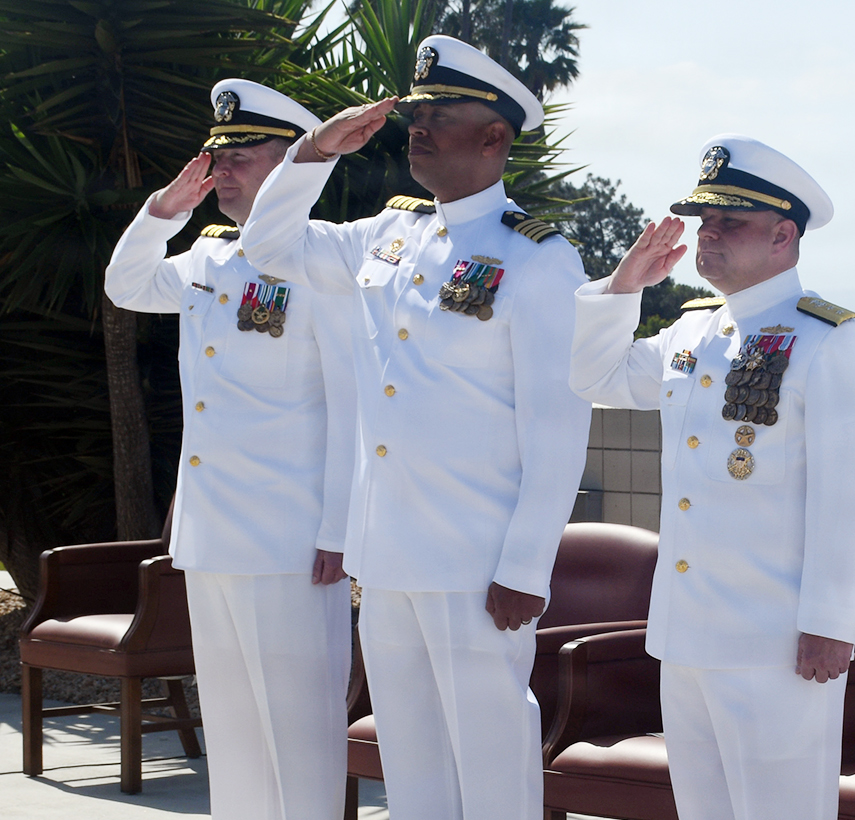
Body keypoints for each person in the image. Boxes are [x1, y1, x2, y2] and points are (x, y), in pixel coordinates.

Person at [237, 35, 591, 820]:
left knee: (491, 755)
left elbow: (558, 427)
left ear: (494, 137)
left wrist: (526, 567)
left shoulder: (536, 259)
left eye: (440, 112)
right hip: (389, 556)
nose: (418, 126)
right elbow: (266, 246)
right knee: (412, 759)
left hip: (477, 564)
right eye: (417, 111)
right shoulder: (385, 234)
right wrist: (313, 151)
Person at [569, 135, 855, 820]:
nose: (707, 235)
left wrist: (831, 623)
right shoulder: (691, 334)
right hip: (687, 635)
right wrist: (624, 287)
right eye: (703, 220)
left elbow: (854, 495)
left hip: (778, 642)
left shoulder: (833, 341)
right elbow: (592, 376)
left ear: (783, 236)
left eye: (729, 223)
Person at [104, 79, 356, 820]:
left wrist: (339, 528)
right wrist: (162, 215)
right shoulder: (207, 261)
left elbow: (352, 404)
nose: (225, 168)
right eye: (220, 152)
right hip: (213, 536)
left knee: (299, 733)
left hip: (291, 540)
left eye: (244, 153)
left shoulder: (323, 264)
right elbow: (126, 285)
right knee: (236, 732)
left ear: (292, 164)